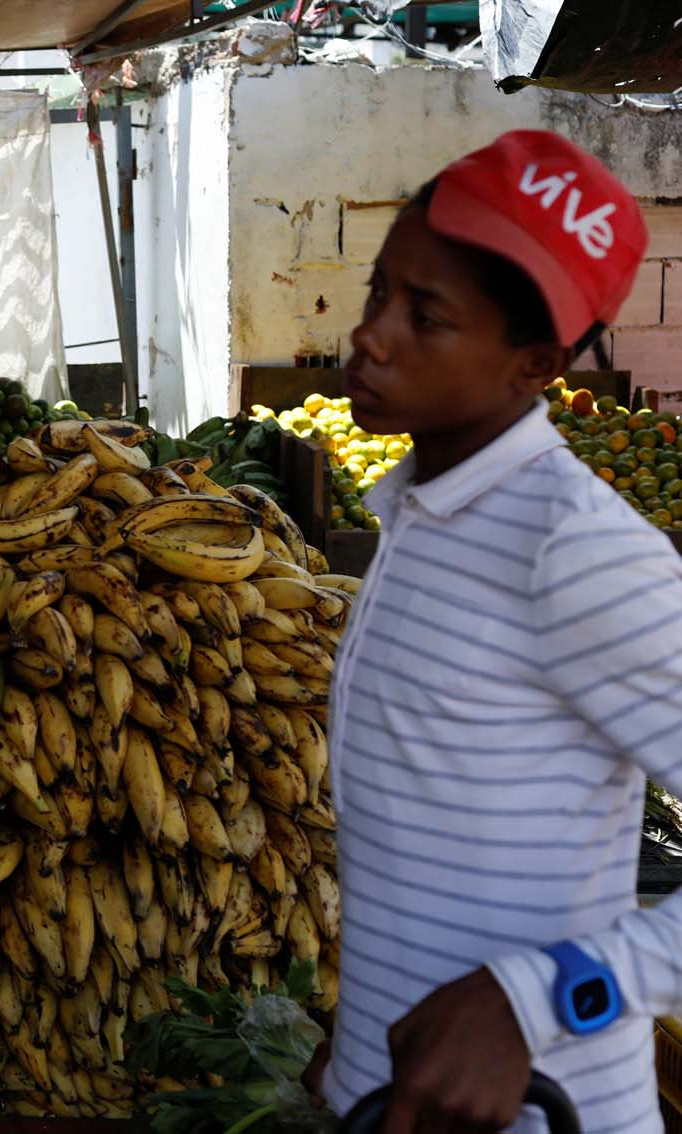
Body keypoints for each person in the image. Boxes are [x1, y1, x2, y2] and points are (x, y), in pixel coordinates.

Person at [302, 130, 673, 1131]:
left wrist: (540, 999)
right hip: (385, 1097)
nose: (370, 334)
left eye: (423, 317)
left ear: (532, 365)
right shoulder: (421, 508)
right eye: (379, 290)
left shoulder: (575, 550)